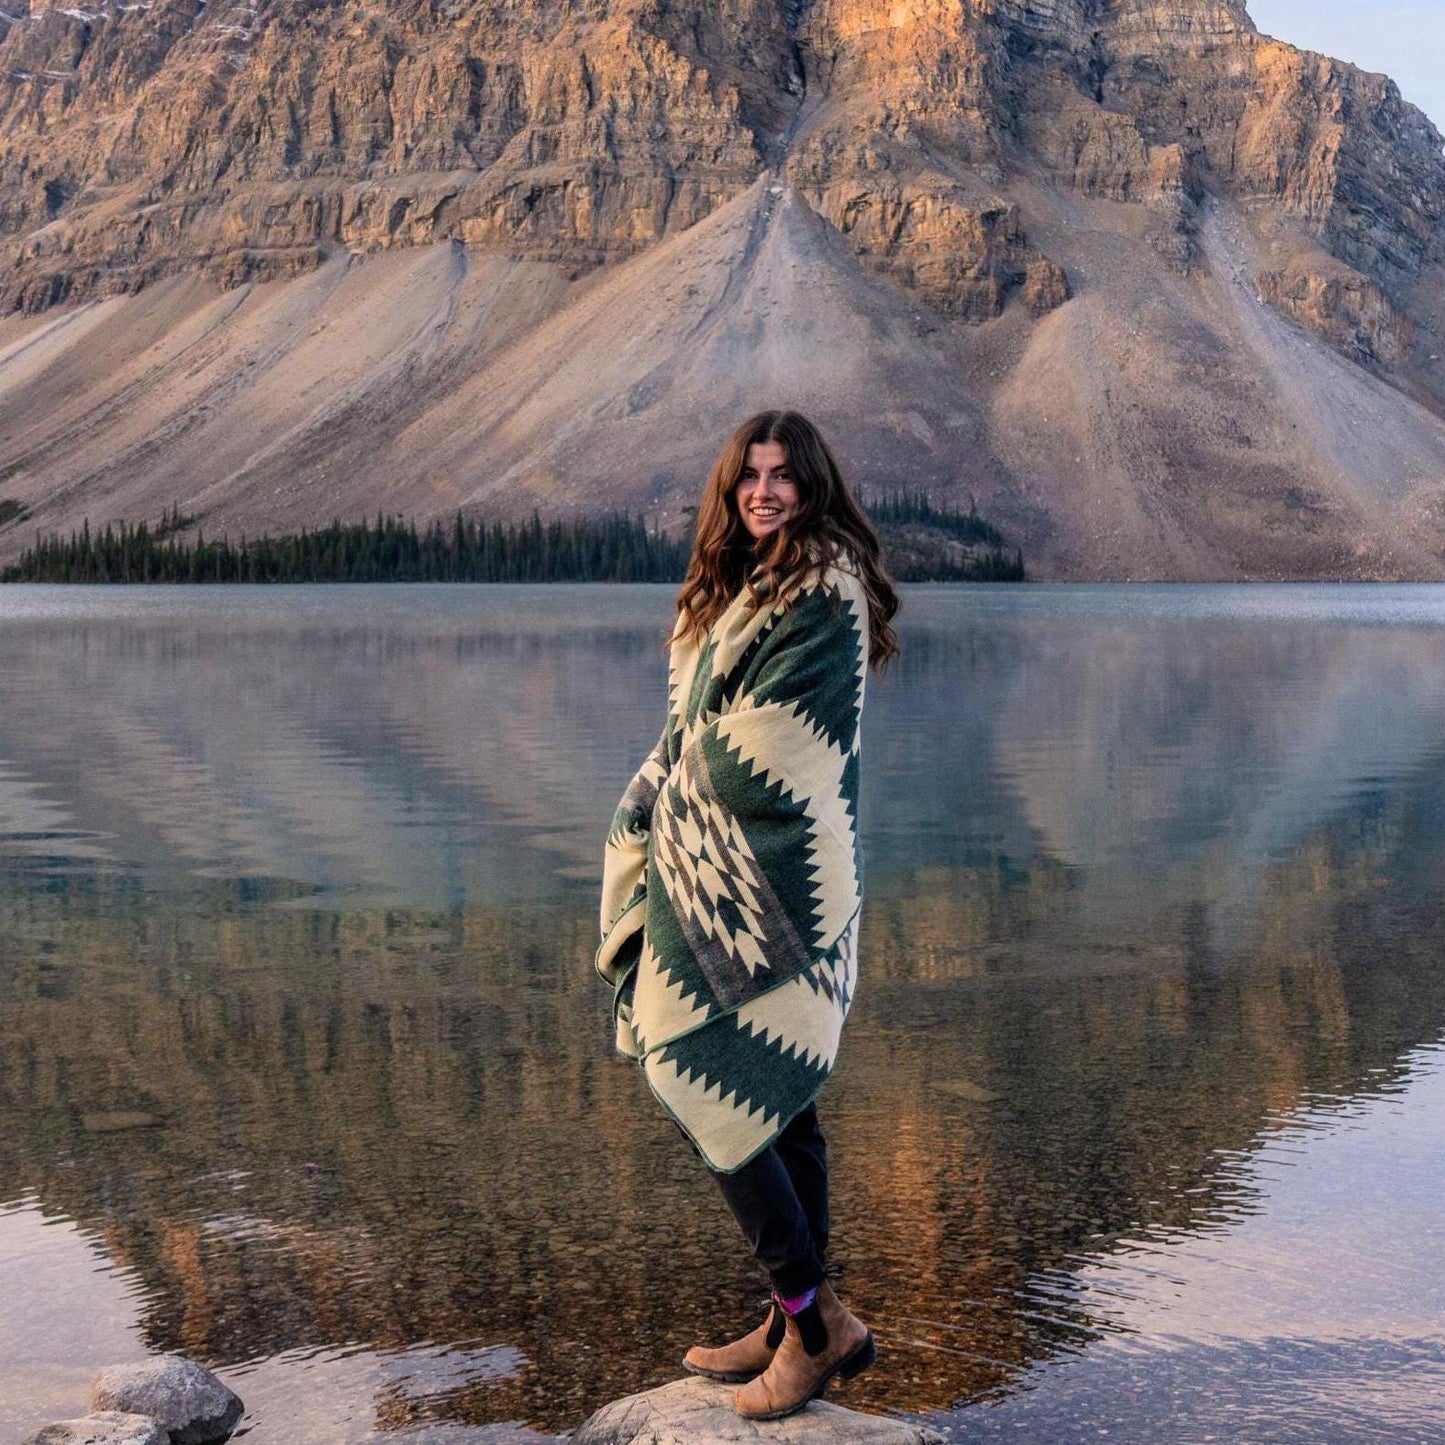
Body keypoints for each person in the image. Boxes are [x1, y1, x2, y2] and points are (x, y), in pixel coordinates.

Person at [596, 409, 900, 1420]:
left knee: (687, 1063)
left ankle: (811, 1326)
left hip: (780, 877)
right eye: (748, 477)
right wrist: (653, 794)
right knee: (780, 1094)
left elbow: (780, 746)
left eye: (782, 475)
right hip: (720, 868)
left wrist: (676, 792)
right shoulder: (735, 587)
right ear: (730, 490)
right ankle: (794, 1316)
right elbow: (692, 727)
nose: (764, 491)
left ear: (812, 484)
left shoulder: (824, 588)